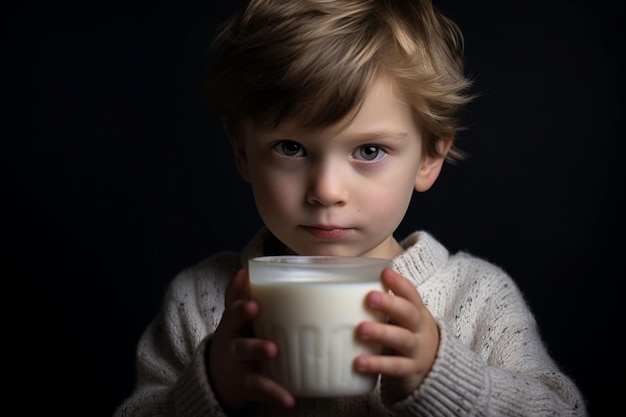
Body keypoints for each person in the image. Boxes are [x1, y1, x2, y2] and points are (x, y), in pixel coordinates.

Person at [114, 0, 587, 415]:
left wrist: (443, 378)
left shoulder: (479, 299)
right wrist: (211, 388)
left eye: (369, 151)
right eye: (291, 148)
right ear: (242, 152)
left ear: (428, 158)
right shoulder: (198, 303)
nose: (327, 191)